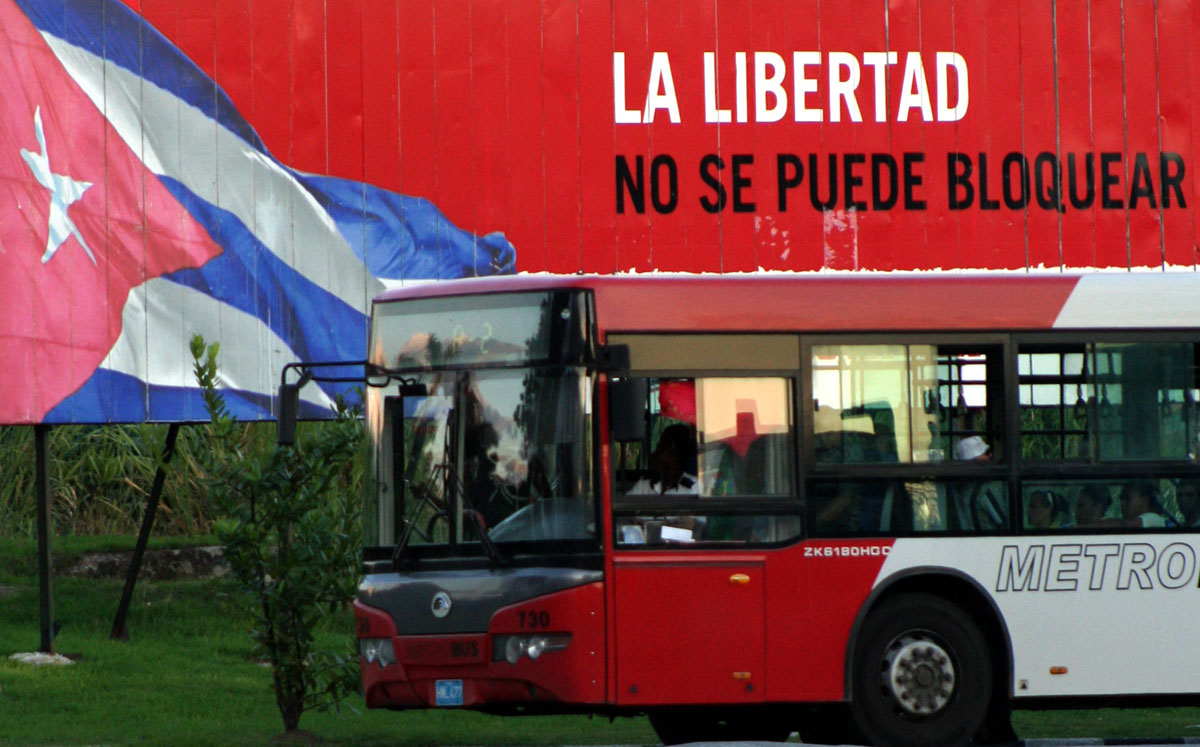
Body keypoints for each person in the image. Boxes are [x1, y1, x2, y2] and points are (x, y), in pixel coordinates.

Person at [628, 424, 698, 495]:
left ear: (676, 455)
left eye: (662, 449)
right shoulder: (644, 485)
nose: (655, 454)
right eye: (658, 449)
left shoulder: (693, 487)